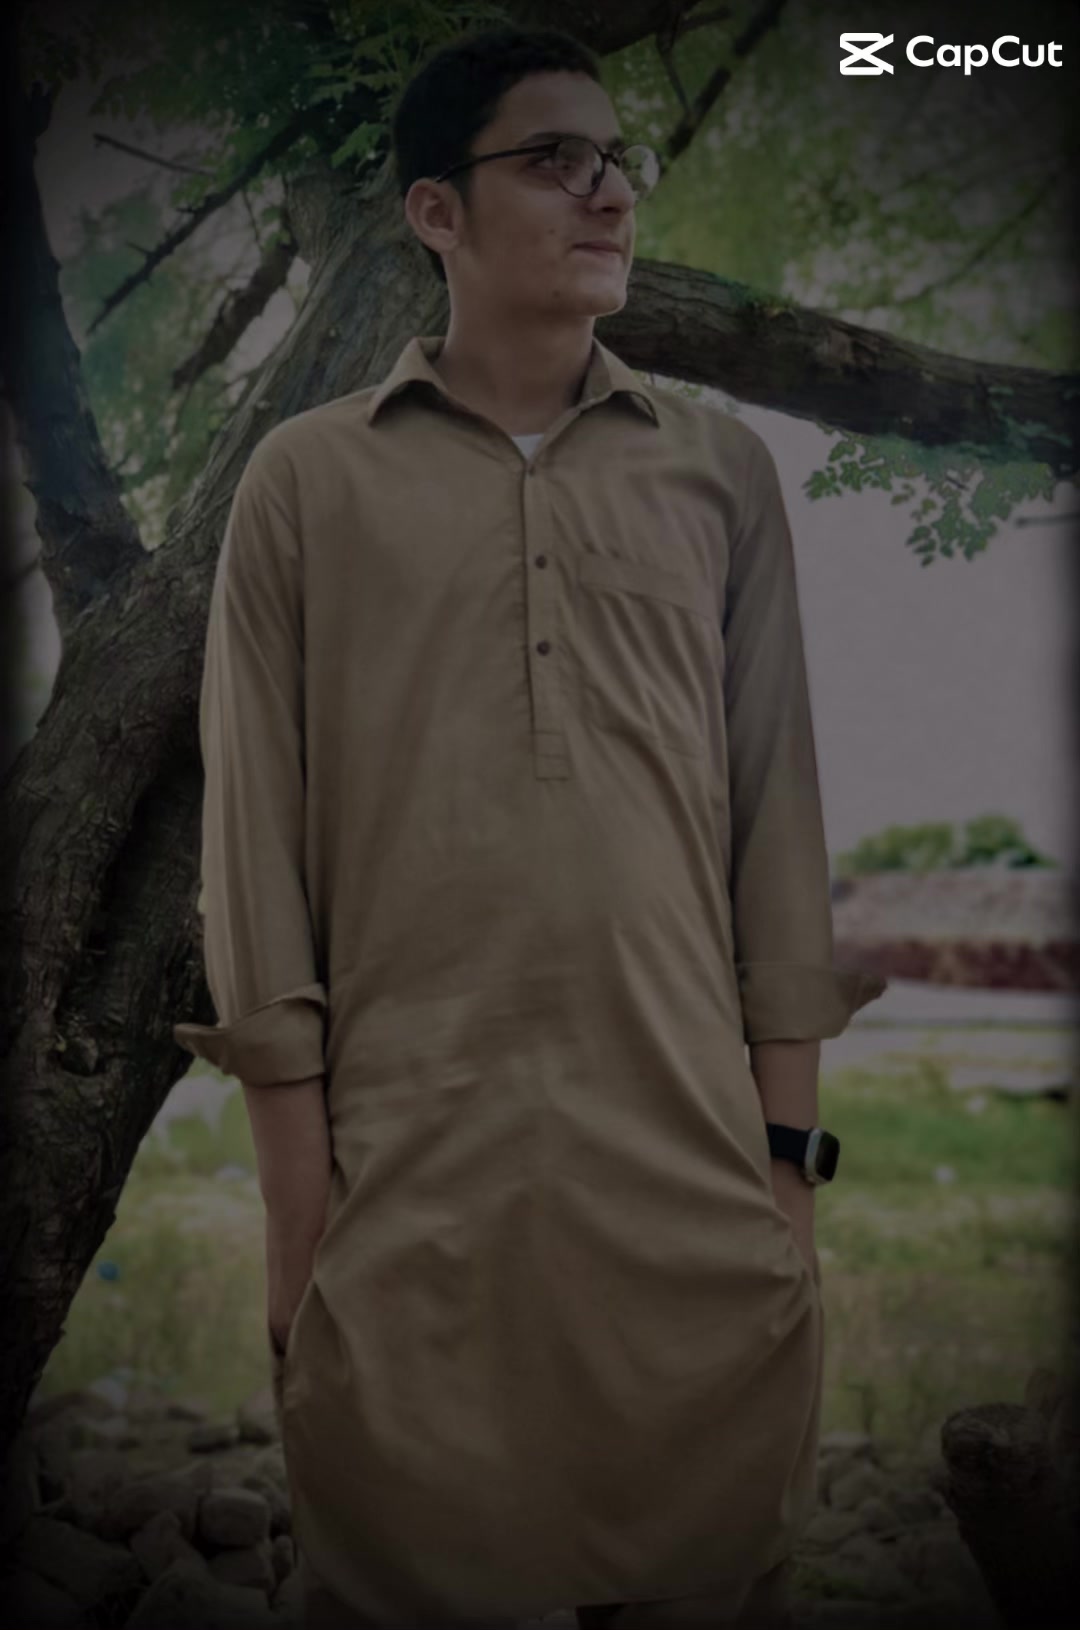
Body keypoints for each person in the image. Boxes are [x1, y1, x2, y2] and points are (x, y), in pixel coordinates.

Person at [174, 22, 888, 1630]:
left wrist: (786, 1192)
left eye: (617, 160)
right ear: (437, 211)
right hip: (411, 1195)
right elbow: (254, 869)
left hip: (692, 1190)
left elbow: (778, 834)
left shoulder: (722, 474)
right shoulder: (306, 485)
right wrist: (301, 1226)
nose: (608, 192)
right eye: (555, 161)